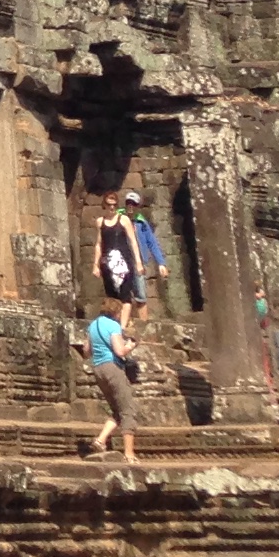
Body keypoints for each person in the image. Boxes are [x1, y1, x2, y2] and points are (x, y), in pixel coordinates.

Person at [86, 305, 142, 463]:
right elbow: (119, 351)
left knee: (117, 409)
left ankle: (100, 440)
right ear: (115, 312)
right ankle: (129, 454)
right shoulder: (113, 325)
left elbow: (86, 350)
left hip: (98, 369)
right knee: (128, 410)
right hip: (112, 368)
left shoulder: (93, 325)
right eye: (120, 313)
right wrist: (130, 346)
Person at [95, 202, 145, 327]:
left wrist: (138, 262)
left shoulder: (124, 220)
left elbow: (133, 241)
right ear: (104, 205)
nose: (112, 207)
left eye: (114, 204)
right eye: (108, 204)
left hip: (124, 263)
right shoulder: (100, 222)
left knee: (125, 294)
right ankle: (115, 324)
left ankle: (121, 327)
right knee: (112, 297)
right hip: (108, 264)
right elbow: (98, 244)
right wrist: (95, 264)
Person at [124, 190, 169, 312]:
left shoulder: (141, 223)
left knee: (141, 296)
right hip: (122, 263)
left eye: (133, 204)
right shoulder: (120, 220)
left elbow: (152, 242)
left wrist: (161, 263)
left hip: (138, 263)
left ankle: (143, 326)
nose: (130, 206)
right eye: (128, 203)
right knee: (123, 296)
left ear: (138, 206)